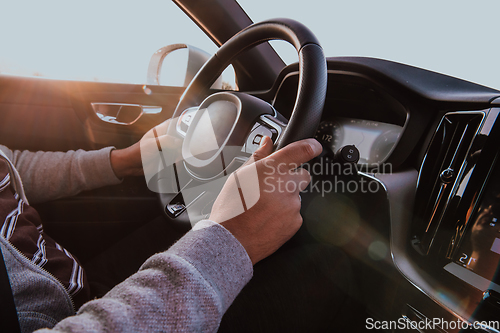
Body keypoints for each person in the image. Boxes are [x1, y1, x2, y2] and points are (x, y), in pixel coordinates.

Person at [1, 124, 343, 332]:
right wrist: (231, 239)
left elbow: (11, 164)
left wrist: (126, 160)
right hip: (69, 318)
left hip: (65, 281)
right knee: (328, 266)